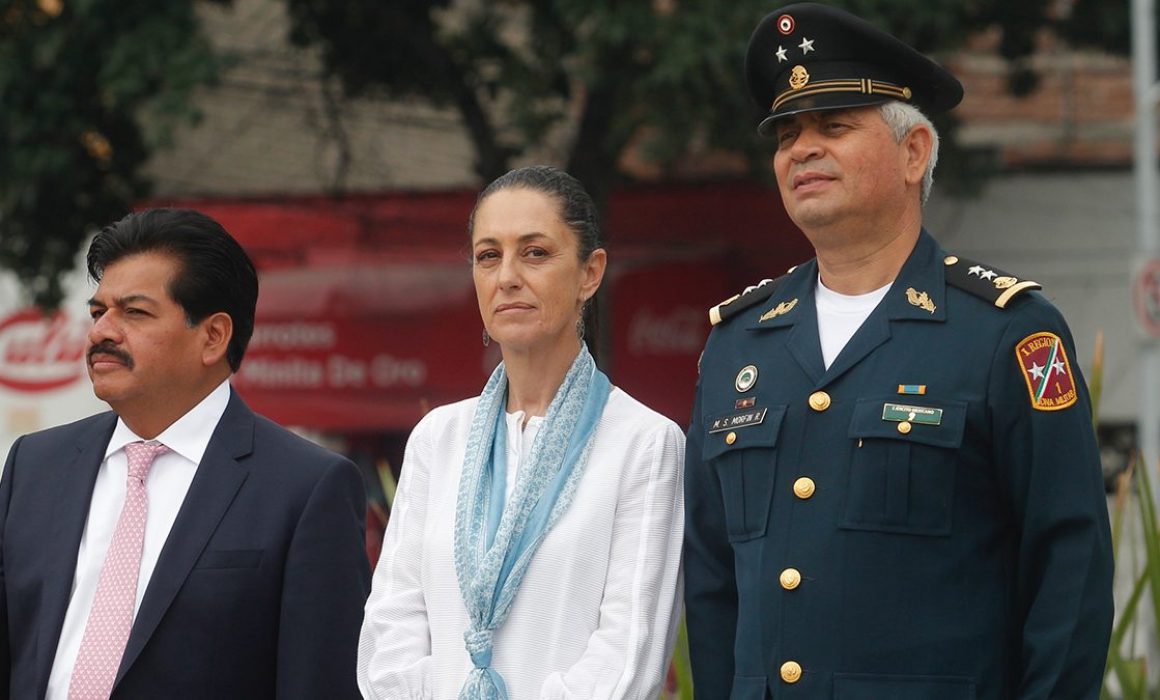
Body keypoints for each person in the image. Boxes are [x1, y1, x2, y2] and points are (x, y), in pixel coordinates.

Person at [683, 4, 1114, 699]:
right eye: (787, 133)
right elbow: (711, 584)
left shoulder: (1008, 333)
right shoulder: (738, 344)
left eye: (833, 127)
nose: (801, 150)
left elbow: (1070, 571)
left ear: (914, 152)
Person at [0, 208, 370, 699]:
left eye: (134, 312)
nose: (101, 332)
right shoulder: (35, 465)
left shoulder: (305, 489)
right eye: (97, 312)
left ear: (213, 336)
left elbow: (319, 683)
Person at [357, 165, 685, 699]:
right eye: (489, 256)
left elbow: (629, 656)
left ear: (590, 272)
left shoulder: (644, 443)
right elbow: (391, 627)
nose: (507, 275)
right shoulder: (438, 438)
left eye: (535, 252)